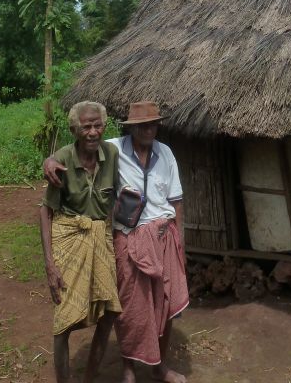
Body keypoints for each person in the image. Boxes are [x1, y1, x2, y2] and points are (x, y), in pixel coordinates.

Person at [44, 100, 189, 383]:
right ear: (130, 128)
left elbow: (177, 202)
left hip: (164, 237)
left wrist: (180, 244)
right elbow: (77, 146)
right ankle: (128, 369)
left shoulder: (165, 153)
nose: (148, 130)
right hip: (129, 238)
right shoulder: (114, 149)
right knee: (131, 309)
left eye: (152, 124)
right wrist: (48, 161)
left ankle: (159, 367)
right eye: (141, 125)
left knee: (165, 305)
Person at [39, 101, 122, 383]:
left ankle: (89, 378)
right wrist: (50, 264)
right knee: (64, 317)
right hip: (69, 237)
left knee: (109, 312)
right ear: (75, 130)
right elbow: (45, 211)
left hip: (100, 236)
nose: (93, 132)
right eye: (86, 127)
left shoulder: (111, 154)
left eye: (98, 125)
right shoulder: (62, 158)